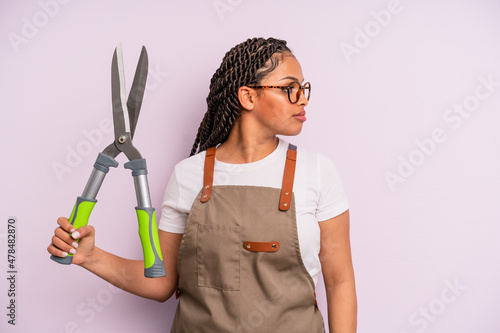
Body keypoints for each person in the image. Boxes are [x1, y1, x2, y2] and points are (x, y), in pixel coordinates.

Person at [48, 37, 357, 332]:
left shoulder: (317, 171)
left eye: (303, 88)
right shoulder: (189, 176)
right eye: (289, 88)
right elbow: (161, 282)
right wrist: (90, 256)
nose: (302, 98)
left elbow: (339, 282)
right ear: (248, 96)